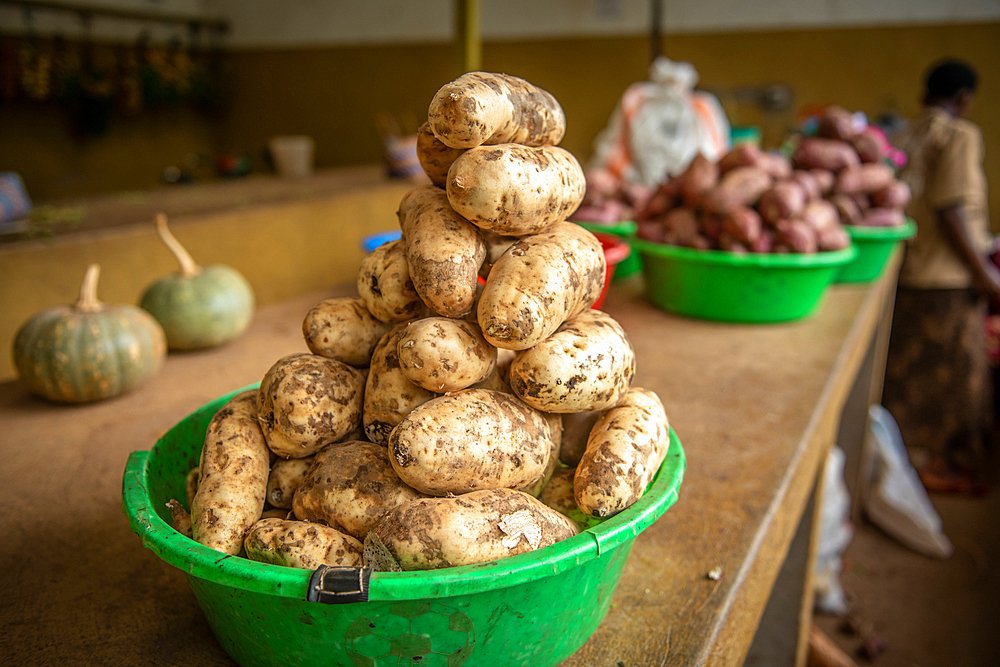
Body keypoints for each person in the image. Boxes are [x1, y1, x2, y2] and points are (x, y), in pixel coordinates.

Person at [883, 59, 999, 492]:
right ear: (965, 98)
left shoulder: (908, 135)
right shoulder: (960, 135)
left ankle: (906, 461)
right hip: (947, 280)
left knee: (909, 378)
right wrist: (984, 272)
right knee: (957, 381)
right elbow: (951, 209)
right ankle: (943, 468)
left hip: (910, 271)